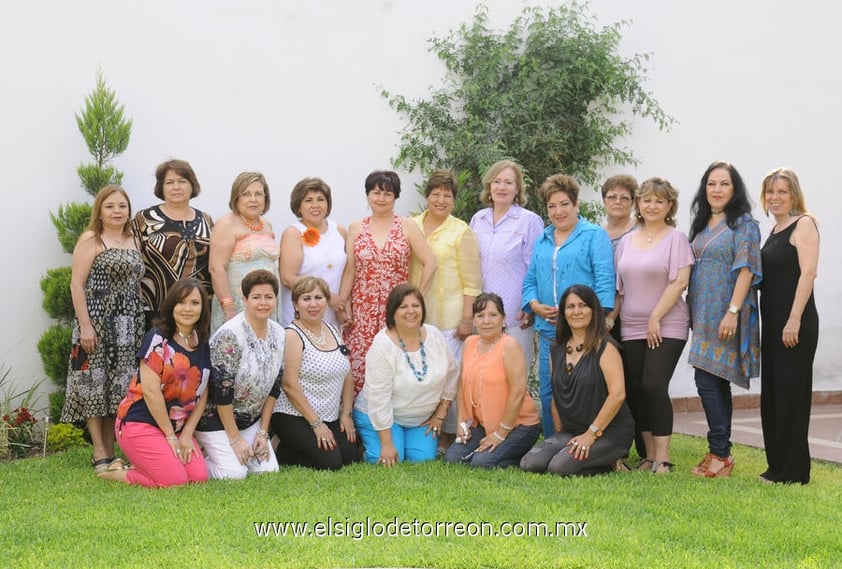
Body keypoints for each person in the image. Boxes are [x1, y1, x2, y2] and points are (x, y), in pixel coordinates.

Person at [522, 174, 615, 438]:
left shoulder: (593, 235)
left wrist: (599, 320)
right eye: (552, 206)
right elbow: (530, 279)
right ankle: (555, 442)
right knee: (551, 389)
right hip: (550, 329)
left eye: (564, 204)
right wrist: (534, 304)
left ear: (576, 204)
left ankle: (591, 440)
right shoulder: (542, 238)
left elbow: (605, 280)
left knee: (586, 387)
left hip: (583, 330)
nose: (558, 211)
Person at [61, 185, 145, 474]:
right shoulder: (91, 239)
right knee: (93, 385)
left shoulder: (134, 239)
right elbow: (76, 284)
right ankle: (99, 451)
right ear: (100, 210)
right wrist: (85, 325)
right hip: (96, 322)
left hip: (128, 325)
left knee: (119, 387)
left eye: (122, 206)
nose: (117, 211)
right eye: (110, 206)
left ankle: (111, 450)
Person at [687, 161, 761, 478]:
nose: (717, 190)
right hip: (701, 315)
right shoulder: (702, 223)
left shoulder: (743, 224)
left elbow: (747, 268)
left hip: (725, 314)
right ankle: (722, 453)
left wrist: (732, 312)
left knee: (706, 382)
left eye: (724, 184)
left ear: (735, 189)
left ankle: (719, 452)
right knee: (715, 381)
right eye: (712, 184)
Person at [614, 177, 693, 473]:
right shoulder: (626, 241)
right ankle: (648, 456)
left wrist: (655, 318)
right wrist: (611, 317)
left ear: (669, 205)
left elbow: (680, 282)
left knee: (654, 385)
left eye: (660, 201)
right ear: (638, 203)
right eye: (647, 200)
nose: (652, 205)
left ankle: (664, 457)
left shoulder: (676, 238)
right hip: (631, 326)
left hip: (666, 324)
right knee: (636, 388)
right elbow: (620, 290)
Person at [101, 279, 212, 487]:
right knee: (175, 481)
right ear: (171, 306)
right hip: (140, 422)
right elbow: (151, 392)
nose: (187, 309)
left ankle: (144, 464)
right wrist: (170, 436)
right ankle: (118, 473)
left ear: (203, 308)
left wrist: (186, 434)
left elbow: (203, 391)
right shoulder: (157, 338)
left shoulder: (202, 340)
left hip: (177, 427)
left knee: (198, 478)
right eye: (181, 302)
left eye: (195, 303)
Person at [339, 171, 437, 396]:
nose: (381, 198)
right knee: (359, 365)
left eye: (387, 193)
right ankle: (360, 423)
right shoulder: (356, 227)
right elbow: (350, 270)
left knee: (395, 363)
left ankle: (392, 423)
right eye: (376, 192)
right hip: (363, 311)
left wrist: (415, 302)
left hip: (396, 311)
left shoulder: (407, 226)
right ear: (367, 195)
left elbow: (430, 263)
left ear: (395, 197)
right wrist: (344, 304)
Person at [520, 285, 633, 476]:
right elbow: (556, 397)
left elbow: (618, 395)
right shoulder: (557, 350)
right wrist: (558, 436)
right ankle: (576, 454)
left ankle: (612, 459)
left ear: (593, 311)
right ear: (563, 313)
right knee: (530, 463)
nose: (577, 311)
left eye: (583, 305)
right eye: (570, 307)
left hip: (608, 432)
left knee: (559, 467)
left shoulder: (605, 348)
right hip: (572, 431)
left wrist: (591, 434)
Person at [410, 169, 483, 449]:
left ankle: (450, 434)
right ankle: (423, 430)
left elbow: (472, 281)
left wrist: (467, 318)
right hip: (417, 316)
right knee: (424, 374)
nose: (441, 200)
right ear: (427, 195)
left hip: (452, 317)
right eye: (436, 193)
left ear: (454, 199)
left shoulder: (461, 231)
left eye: (447, 195)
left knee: (451, 376)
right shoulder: (411, 226)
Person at [758, 168, 819, 484]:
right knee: (774, 395)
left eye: (782, 191)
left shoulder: (804, 224)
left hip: (794, 323)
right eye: (770, 192)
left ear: (794, 195)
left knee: (791, 395)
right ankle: (777, 466)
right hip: (773, 324)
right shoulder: (775, 229)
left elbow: (807, 274)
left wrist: (793, 319)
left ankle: (794, 471)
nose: (775, 197)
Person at [353, 284, 458, 465]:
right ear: (392, 312)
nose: (411, 311)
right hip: (384, 416)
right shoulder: (383, 345)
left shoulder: (434, 335)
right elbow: (379, 398)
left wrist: (440, 414)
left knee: (422, 460)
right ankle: (368, 445)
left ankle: (403, 440)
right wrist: (386, 444)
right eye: (403, 307)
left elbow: (452, 372)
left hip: (420, 420)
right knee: (392, 459)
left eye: (416, 306)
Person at [196, 270, 283, 479]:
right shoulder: (230, 335)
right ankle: (199, 461)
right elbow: (220, 393)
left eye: (268, 297)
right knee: (234, 474)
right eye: (256, 297)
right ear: (244, 299)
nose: (263, 302)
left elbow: (274, 386)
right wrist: (235, 440)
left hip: (249, 421)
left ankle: (223, 451)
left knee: (267, 470)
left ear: (275, 299)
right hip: (215, 418)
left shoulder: (279, 333)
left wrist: (263, 432)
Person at [271, 277, 360, 470]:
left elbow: (347, 373)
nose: (313, 304)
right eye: (306, 298)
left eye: (318, 297)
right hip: (293, 414)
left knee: (352, 456)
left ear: (327, 302)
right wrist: (316, 424)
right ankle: (278, 447)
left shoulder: (334, 330)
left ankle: (299, 444)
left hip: (329, 414)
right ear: (296, 303)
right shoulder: (292, 335)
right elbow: (289, 385)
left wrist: (346, 413)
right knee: (330, 462)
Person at [445, 293, 540, 468]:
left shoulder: (509, 346)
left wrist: (501, 433)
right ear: (473, 320)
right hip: (482, 425)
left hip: (518, 426)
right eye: (480, 316)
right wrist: (461, 422)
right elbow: (461, 384)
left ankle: (524, 458)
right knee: (453, 459)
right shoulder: (470, 343)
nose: (486, 321)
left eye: (493, 315)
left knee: (481, 463)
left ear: (503, 319)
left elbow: (518, 393)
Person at [470, 160, 544, 369]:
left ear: (518, 188)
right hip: (483, 315)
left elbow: (538, 269)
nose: (502, 187)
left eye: (508, 183)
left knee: (513, 376)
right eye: (497, 181)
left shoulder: (529, 221)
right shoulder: (478, 220)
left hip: (515, 314)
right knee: (483, 374)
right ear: (489, 186)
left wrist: (529, 305)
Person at [133, 159, 214, 328]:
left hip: (196, 311)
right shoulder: (145, 219)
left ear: (192, 185)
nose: (176, 187)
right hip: (155, 308)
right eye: (169, 182)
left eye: (182, 181)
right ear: (161, 188)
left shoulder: (206, 220)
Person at [209, 172, 280, 331]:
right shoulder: (226, 224)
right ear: (236, 198)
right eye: (246, 194)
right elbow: (216, 268)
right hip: (237, 305)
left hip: (265, 304)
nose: (253, 199)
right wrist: (229, 309)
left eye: (258, 194)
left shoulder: (267, 225)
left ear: (265, 198)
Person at [279, 178, 347, 328]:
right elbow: (287, 278)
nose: (315, 205)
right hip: (304, 313)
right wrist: (327, 296)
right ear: (298, 206)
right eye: (308, 200)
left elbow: (348, 270)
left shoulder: (339, 230)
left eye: (321, 199)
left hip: (334, 313)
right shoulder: (293, 233)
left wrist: (343, 303)